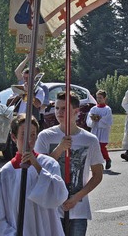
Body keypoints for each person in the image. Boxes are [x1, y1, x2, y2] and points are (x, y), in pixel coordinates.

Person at [34, 91, 104, 236]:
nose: (59, 112)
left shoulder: (90, 140)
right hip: (51, 209)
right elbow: (39, 169)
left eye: (64, 108)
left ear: (76, 111)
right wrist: (59, 149)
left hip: (78, 210)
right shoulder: (46, 136)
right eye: (57, 108)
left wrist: (77, 197)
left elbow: (97, 175)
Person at [0, 114, 67, 236]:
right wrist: (11, 234)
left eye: (33, 135)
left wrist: (37, 167)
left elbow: (58, 196)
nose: (29, 140)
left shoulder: (49, 164)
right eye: (24, 134)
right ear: (13, 137)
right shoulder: (7, 172)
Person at [86, 90, 113, 170]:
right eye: (97, 98)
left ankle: (107, 159)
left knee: (101, 146)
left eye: (100, 98)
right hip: (95, 129)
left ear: (104, 98)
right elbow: (89, 120)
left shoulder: (107, 109)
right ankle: (95, 163)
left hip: (103, 130)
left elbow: (108, 120)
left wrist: (100, 119)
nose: (99, 99)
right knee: (94, 146)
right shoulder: (93, 109)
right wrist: (93, 120)